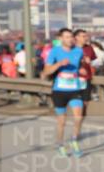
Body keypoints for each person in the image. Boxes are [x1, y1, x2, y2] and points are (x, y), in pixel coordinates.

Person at [42, 27, 87, 158]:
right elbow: (46, 71)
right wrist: (59, 64)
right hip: (59, 91)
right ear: (60, 39)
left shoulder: (78, 51)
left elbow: (80, 65)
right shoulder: (54, 52)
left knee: (79, 117)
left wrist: (82, 70)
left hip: (74, 89)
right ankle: (60, 144)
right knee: (62, 122)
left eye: (71, 37)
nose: (70, 39)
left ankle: (74, 141)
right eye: (66, 37)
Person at [74, 29, 100, 105]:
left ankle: (82, 115)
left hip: (87, 78)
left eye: (86, 36)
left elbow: (94, 61)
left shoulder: (89, 48)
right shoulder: (71, 48)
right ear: (76, 37)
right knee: (75, 101)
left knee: (86, 101)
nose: (86, 38)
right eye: (83, 36)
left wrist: (90, 63)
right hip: (74, 78)